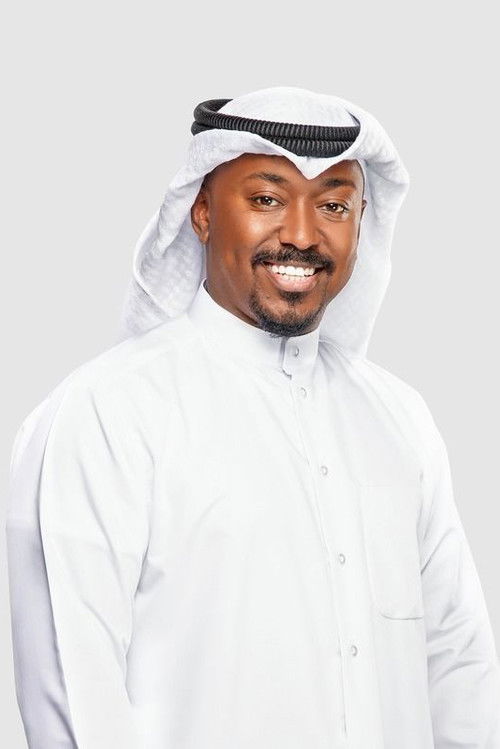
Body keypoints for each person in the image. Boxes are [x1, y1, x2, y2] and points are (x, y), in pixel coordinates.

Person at [5, 86, 500, 748]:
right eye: (267, 199)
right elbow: (75, 696)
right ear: (203, 212)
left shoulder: (400, 420)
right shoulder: (107, 414)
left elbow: (459, 666)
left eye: (333, 205)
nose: (302, 234)